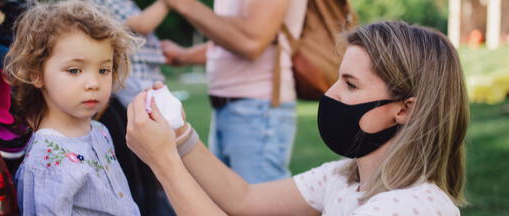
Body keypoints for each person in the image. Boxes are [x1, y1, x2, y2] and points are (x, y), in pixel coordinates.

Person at [126, 21, 469, 215]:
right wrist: (179, 133)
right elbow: (245, 199)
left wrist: (164, 164)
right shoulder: (346, 177)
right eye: (338, 78)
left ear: (405, 109)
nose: (330, 94)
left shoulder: (403, 208)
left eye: (350, 84)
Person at [4, 1, 142, 215]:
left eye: (104, 70)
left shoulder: (100, 132)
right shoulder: (45, 162)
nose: (94, 83)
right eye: (75, 70)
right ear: (37, 74)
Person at [160, 0, 306, 183]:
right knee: (227, 204)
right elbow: (231, 37)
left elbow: (251, 40)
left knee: (258, 207)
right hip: (234, 108)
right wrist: (184, 56)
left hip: (258, 109)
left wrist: (183, 4)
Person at [87, 0, 175, 215]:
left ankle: (161, 191)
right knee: (153, 145)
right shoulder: (104, 3)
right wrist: (168, 3)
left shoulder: (125, 3)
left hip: (147, 82)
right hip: (133, 84)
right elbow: (143, 24)